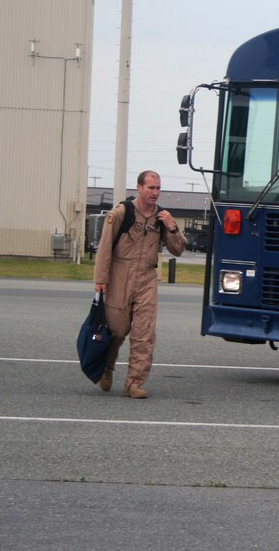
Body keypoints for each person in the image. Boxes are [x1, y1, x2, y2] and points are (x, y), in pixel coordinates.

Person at [93, 170, 187, 398]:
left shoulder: (162, 217)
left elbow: (178, 249)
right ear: (139, 188)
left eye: (158, 188)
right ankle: (106, 368)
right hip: (119, 276)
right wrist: (100, 280)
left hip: (146, 278)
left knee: (144, 333)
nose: (155, 192)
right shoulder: (122, 213)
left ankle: (134, 382)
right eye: (151, 188)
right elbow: (105, 248)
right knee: (117, 330)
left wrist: (172, 227)